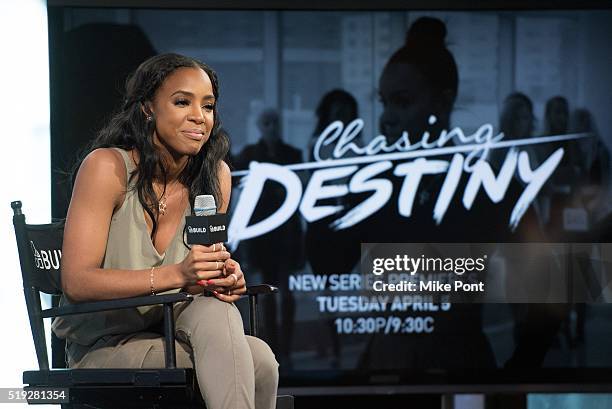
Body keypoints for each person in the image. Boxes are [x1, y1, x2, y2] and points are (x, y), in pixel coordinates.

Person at [51, 53, 279, 409]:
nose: (198, 117)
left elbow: (200, 274)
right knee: (251, 361)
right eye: (181, 102)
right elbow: (77, 282)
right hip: (106, 344)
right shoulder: (106, 167)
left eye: (208, 106)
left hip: (175, 328)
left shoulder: (214, 175)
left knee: (253, 348)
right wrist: (176, 273)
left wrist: (220, 277)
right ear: (147, 109)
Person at [234, 108, 304, 370]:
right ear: (259, 125)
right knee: (267, 296)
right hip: (262, 235)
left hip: (286, 234)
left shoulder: (292, 154)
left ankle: (286, 350)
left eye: (275, 122)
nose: (271, 127)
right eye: (266, 122)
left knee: (286, 295)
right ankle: (274, 351)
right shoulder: (250, 155)